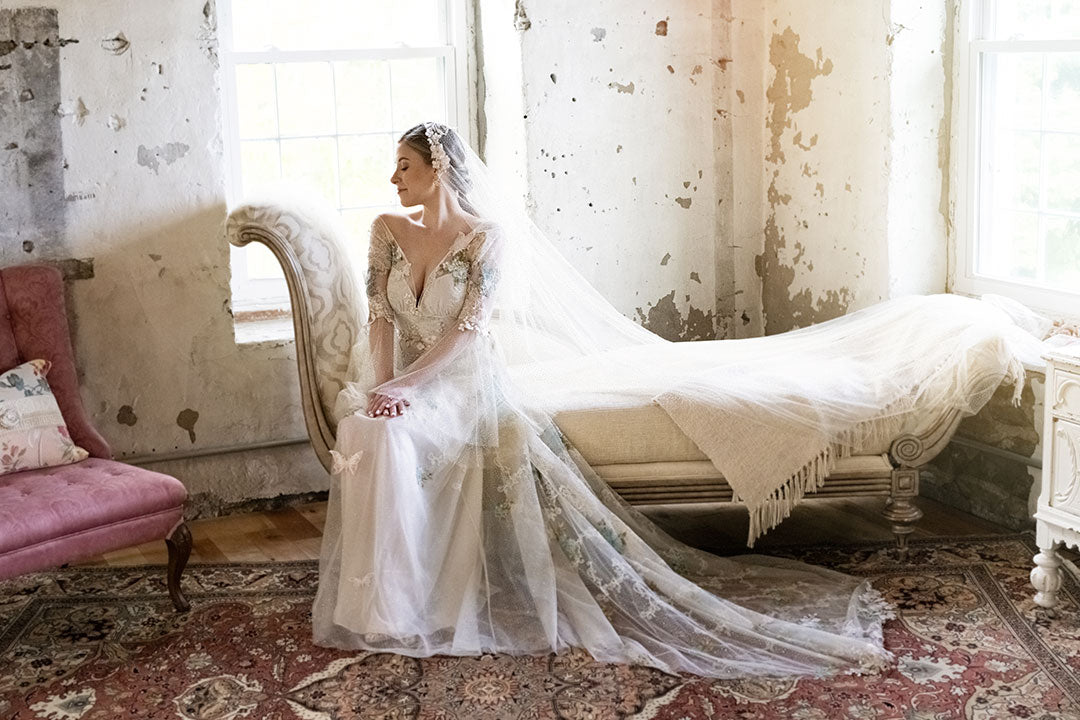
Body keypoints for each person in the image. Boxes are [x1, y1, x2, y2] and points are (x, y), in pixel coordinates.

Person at [309, 121, 913, 678]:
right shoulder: (385, 231)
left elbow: (466, 332)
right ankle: (379, 605)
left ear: (437, 168)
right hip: (404, 380)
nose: (394, 179)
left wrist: (405, 391)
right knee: (369, 428)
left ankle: (411, 603)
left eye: (404, 166)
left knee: (389, 430)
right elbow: (382, 318)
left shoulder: (485, 240)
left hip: (463, 381)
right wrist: (384, 389)